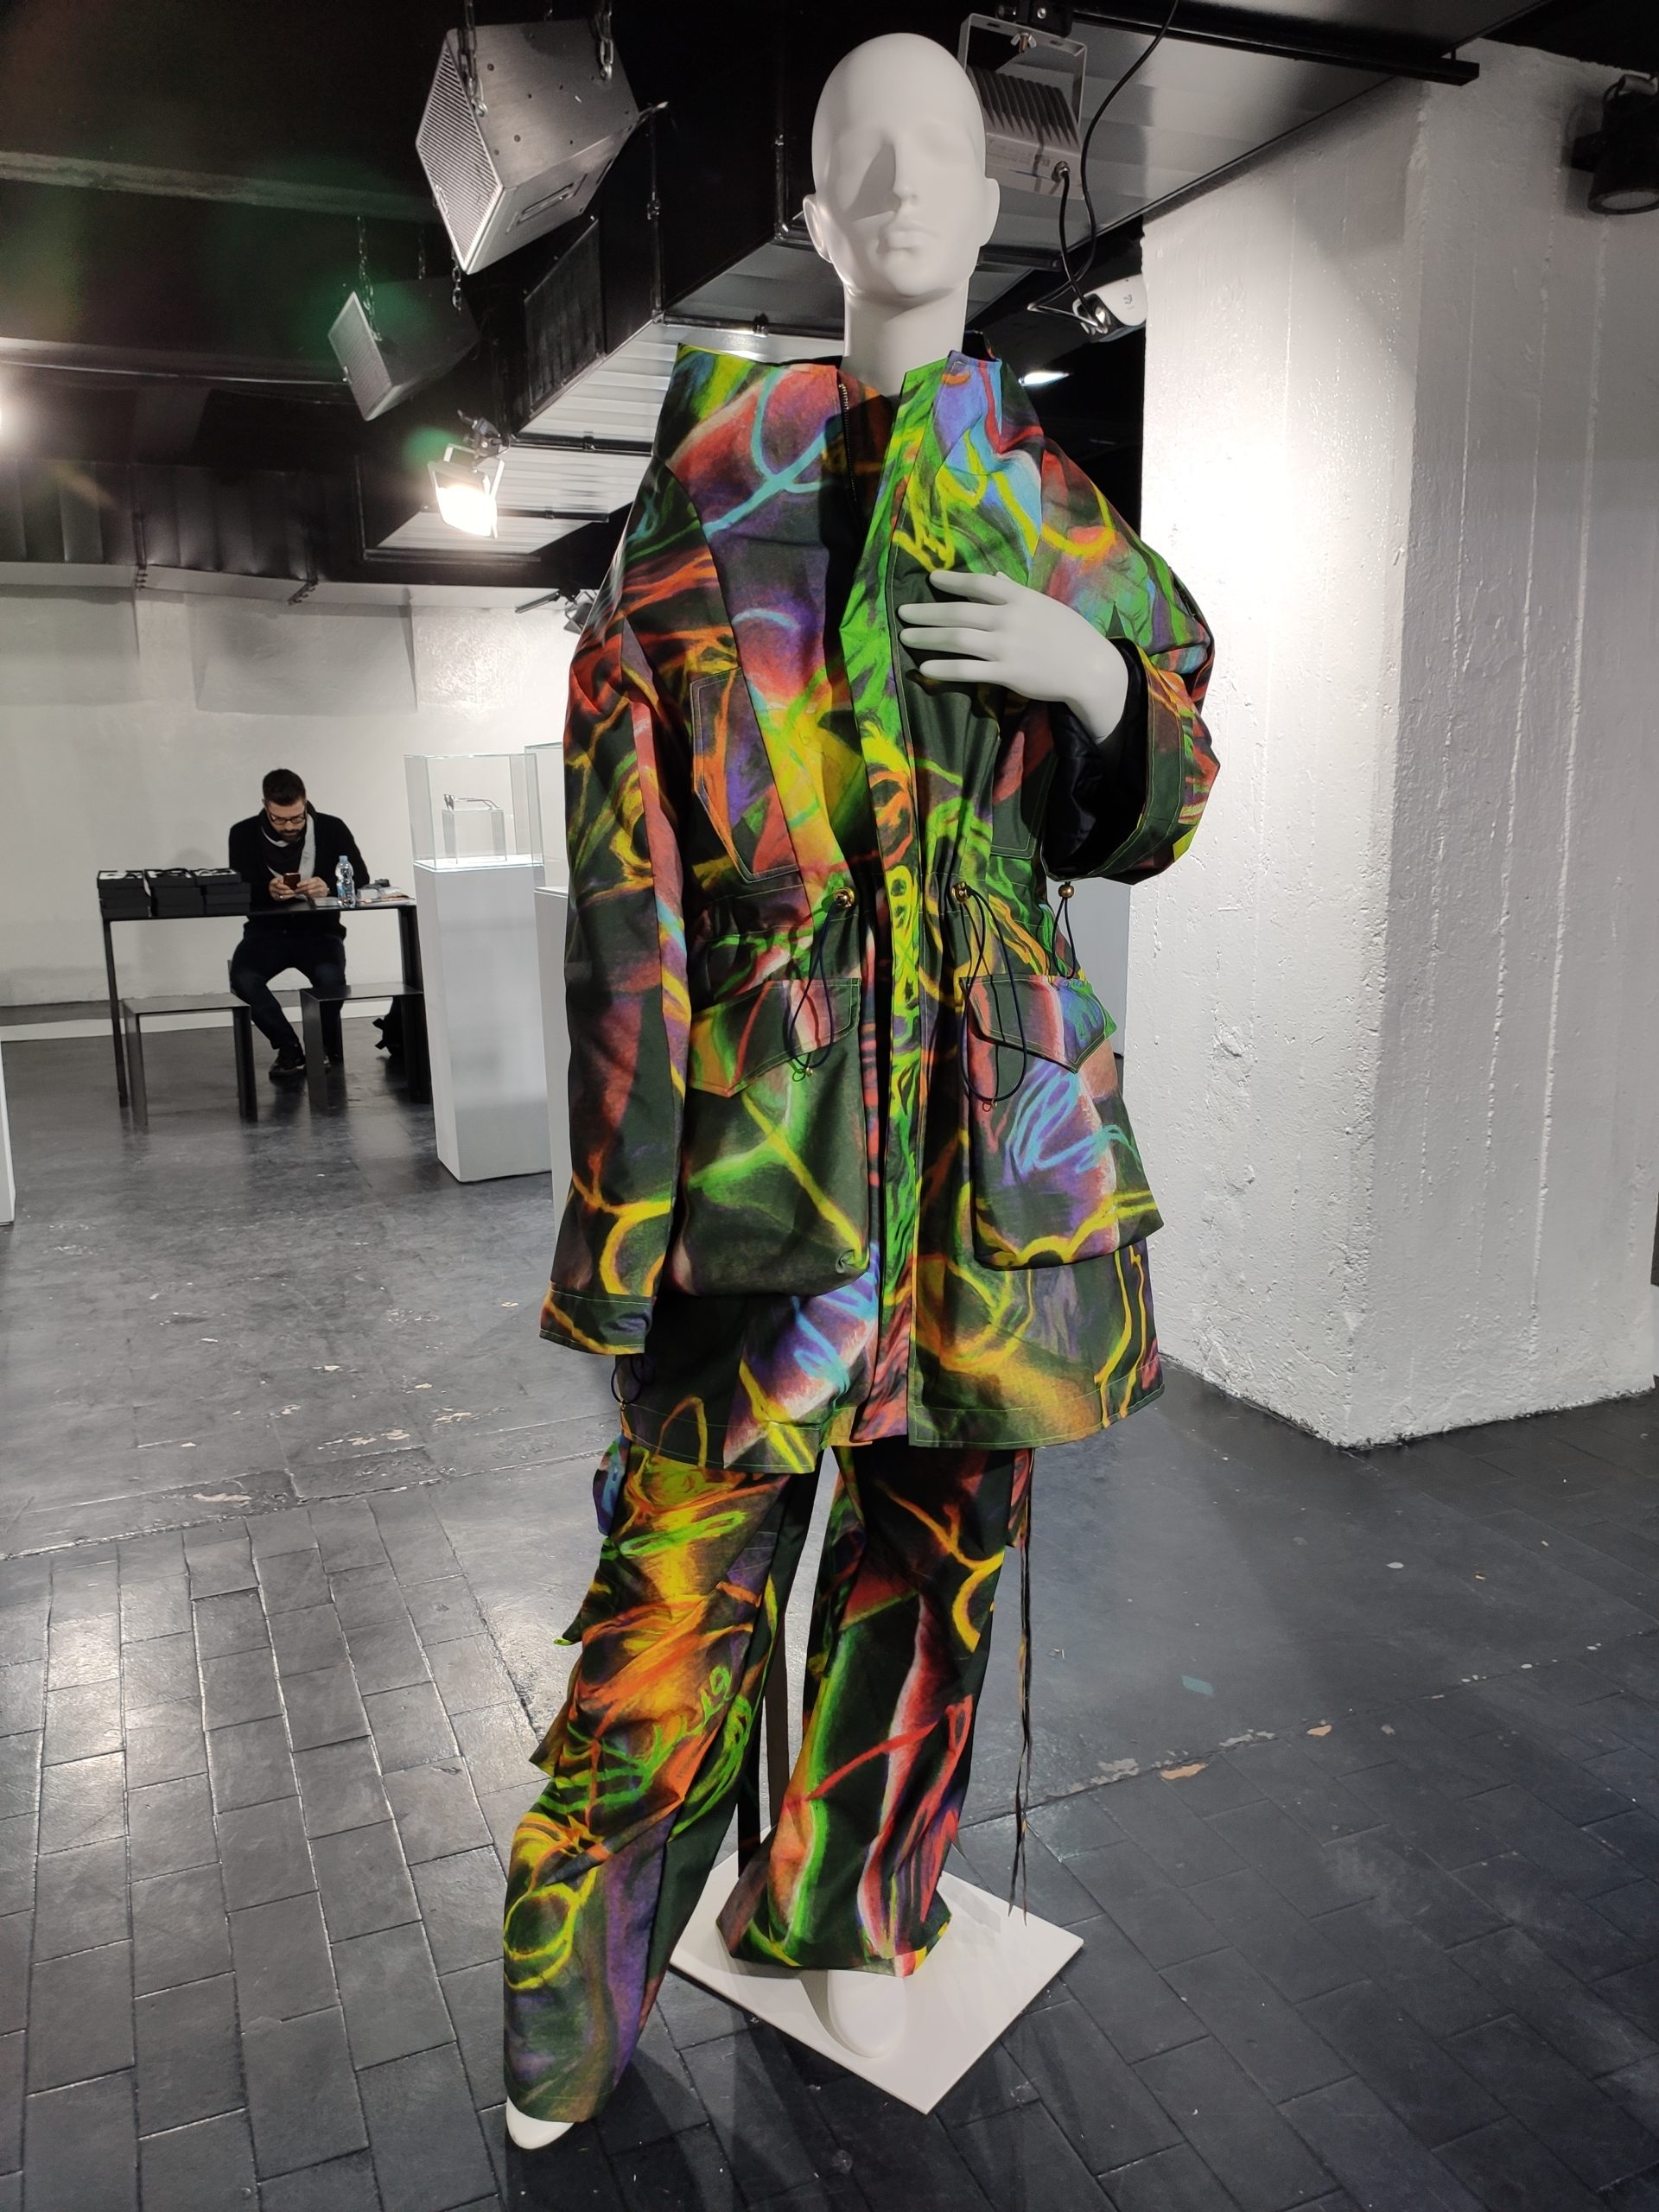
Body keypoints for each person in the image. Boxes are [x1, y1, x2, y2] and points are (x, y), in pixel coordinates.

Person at [502, 32, 1217, 2144]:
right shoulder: (704, 501)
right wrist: (621, 1229)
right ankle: (575, 1974)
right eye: (857, 162)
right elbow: (625, 903)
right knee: (675, 1583)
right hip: (770, 1164)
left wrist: (1104, 685)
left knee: (933, 1576)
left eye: (939, 154)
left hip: (991, 1168)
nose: (902, 192)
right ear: (809, 213)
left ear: (996, 199)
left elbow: (1168, 781)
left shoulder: (1055, 509)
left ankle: (847, 1900)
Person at [226, 769, 369, 1079]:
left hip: (320, 931)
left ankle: (318, 1046)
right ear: (265, 805)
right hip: (266, 931)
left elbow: (361, 876)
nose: (289, 826)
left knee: (331, 980)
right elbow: (239, 888)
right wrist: (266, 890)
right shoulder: (243, 833)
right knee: (243, 979)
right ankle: (288, 1047)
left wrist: (327, 885)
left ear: (305, 803)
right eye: (279, 820)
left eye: (297, 818)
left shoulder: (331, 828)